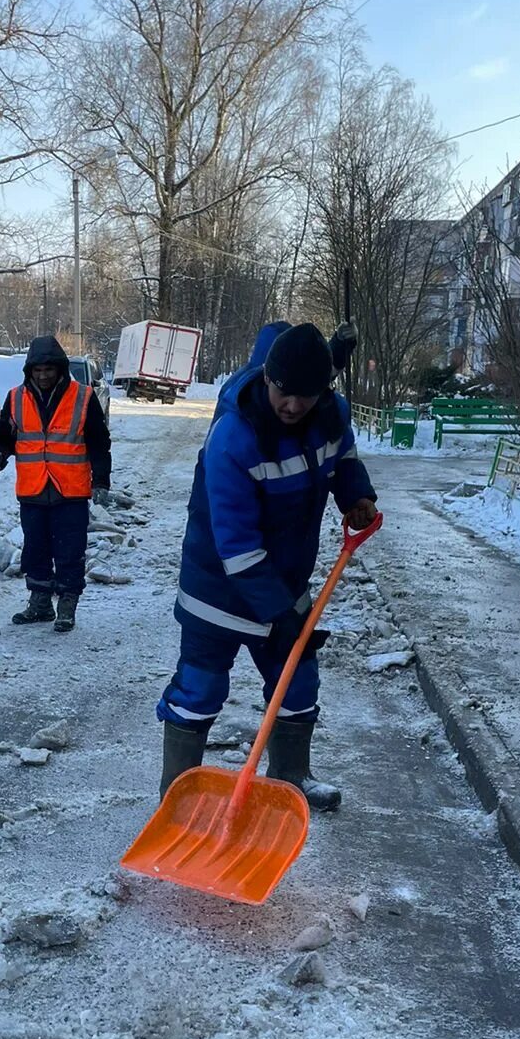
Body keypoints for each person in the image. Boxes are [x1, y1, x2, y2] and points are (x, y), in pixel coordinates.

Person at [157, 320, 377, 808]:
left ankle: (290, 778)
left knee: (298, 681)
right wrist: (281, 617)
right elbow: (236, 545)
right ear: (266, 377)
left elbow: (342, 457)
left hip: (284, 578)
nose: (294, 406)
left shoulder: (329, 413)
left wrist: (355, 494)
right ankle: (177, 800)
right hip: (217, 588)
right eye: (284, 392)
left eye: (307, 395)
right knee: (200, 689)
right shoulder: (234, 437)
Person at [0, 335, 112, 633]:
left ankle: (67, 604)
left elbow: (99, 441)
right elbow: (5, 437)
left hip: (70, 489)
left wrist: (101, 481)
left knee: (70, 549)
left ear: (59, 369)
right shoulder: (16, 397)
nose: (43, 376)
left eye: (48, 370)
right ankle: (40, 602)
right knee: (36, 548)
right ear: (29, 371)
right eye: (37, 370)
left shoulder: (82, 397)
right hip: (32, 490)